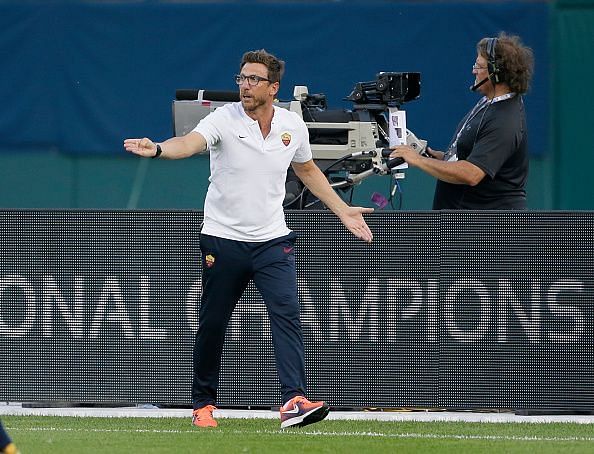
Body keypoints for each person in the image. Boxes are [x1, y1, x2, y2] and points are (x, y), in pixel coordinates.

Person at [124, 49, 373, 429]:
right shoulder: (222, 118)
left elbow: (307, 170)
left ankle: (293, 399)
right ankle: (203, 405)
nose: (245, 85)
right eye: (242, 78)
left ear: (273, 88)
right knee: (213, 322)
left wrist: (342, 209)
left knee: (287, 313)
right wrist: (158, 149)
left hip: (273, 240)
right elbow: (188, 143)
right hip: (223, 240)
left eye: (254, 79)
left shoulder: (292, 125)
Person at [391, 33, 534, 209]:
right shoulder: (490, 103)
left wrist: (418, 160)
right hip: (466, 226)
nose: (474, 70)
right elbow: (476, 159)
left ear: (497, 73)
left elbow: (472, 173)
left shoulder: (505, 121)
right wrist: (443, 158)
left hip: (486, 230)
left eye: (479, 66)